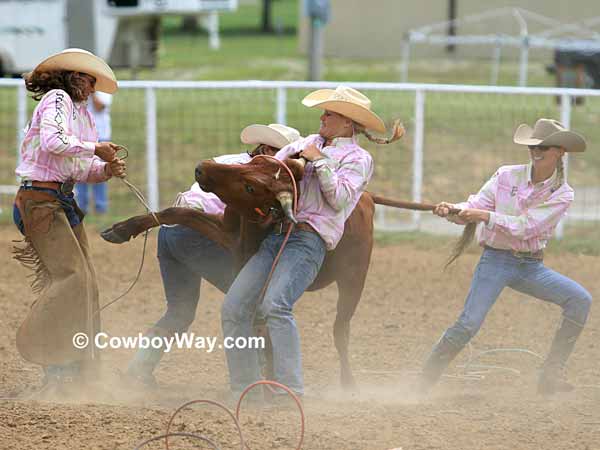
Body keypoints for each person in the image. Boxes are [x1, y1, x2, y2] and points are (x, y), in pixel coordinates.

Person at [221, 86, 404, 398]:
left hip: (310, 240)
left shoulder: (359, 158)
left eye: (329, 113)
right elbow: (271, 170)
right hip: (276, 235)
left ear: (347, 123)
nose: (322, 116)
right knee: (233, 307)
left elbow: (340, 199)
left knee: (276, 305)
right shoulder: (305, 143)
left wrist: (318, 161)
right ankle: (246, 390)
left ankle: (289, 392)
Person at [420, 118, 592, 396]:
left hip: (530, 265)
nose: (537, 151)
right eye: (534, 146)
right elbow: (475, 206)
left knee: (580, 300)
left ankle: (551, 374)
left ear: (561, 151)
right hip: (496, 260)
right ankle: (423, 383)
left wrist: (482, 215)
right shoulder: (505, 176)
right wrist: (454, 209)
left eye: (545, 146)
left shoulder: (563, 194)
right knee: (468, 323)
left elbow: (527, 227)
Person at [125, 123, 302, 386]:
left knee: (180, 311)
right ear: (268, 150)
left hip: (171, 232)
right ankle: (266, 378)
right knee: (249, 303)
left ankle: (138, 369)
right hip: (197, 234)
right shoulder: (252, 177)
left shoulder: (230, 163)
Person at [12, 48, 126, 393]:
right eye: (89, 81)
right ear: (73, 78)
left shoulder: (81, 114)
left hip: (55, 199)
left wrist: (105, 169)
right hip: (41, 200)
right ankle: (52, 357)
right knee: (74, 277)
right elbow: (54, 141)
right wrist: (97, 150)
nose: (92, 89)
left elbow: (79, 168)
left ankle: (77, 365)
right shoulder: (57, 99)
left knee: (84, 280)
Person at [76, 91, 113, 214]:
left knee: (101, 171)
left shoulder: (104, 89)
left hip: (101, 136)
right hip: (82, 136)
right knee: (80, 172)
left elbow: (99, 106)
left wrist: (92, 93)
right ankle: (81, 206)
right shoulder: (79, 89)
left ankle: (100, 206)